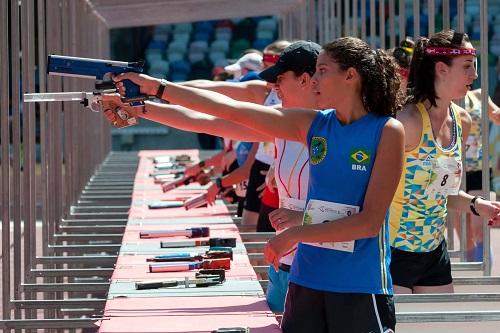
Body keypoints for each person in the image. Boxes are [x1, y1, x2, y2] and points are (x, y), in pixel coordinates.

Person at [111, 36, 404, 333]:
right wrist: (153, 90)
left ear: (350, 76)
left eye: (323, 71)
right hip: (306, 279)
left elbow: (369, 223)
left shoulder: (387, 130)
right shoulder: (313, 124)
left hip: (359, 284)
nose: (314, 79)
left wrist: (294, 233)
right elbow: (229, 110)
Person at [389, 30, 500, 295]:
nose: (474, 75)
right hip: (394, 252)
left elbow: (443, 192)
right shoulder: (406, 121)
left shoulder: (462, 120)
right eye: (467, 66)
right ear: (441, 68)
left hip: (435, 254)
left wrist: (477, 205)